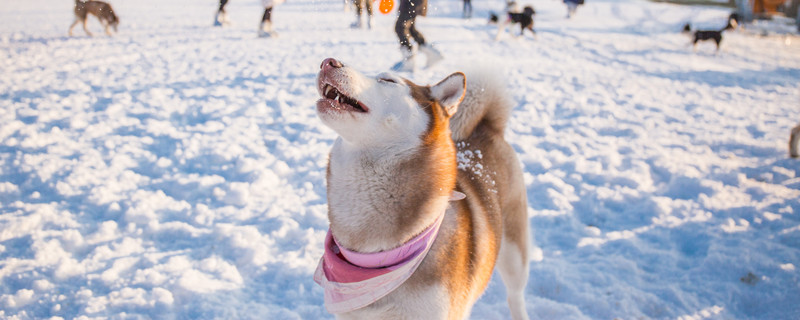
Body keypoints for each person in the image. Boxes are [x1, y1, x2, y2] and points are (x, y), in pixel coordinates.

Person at [392, 0, 443, 71]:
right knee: (410, 29)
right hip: (412, 3)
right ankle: (431, 53)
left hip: (411, 2)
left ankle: (409, 59)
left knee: (400, 28)